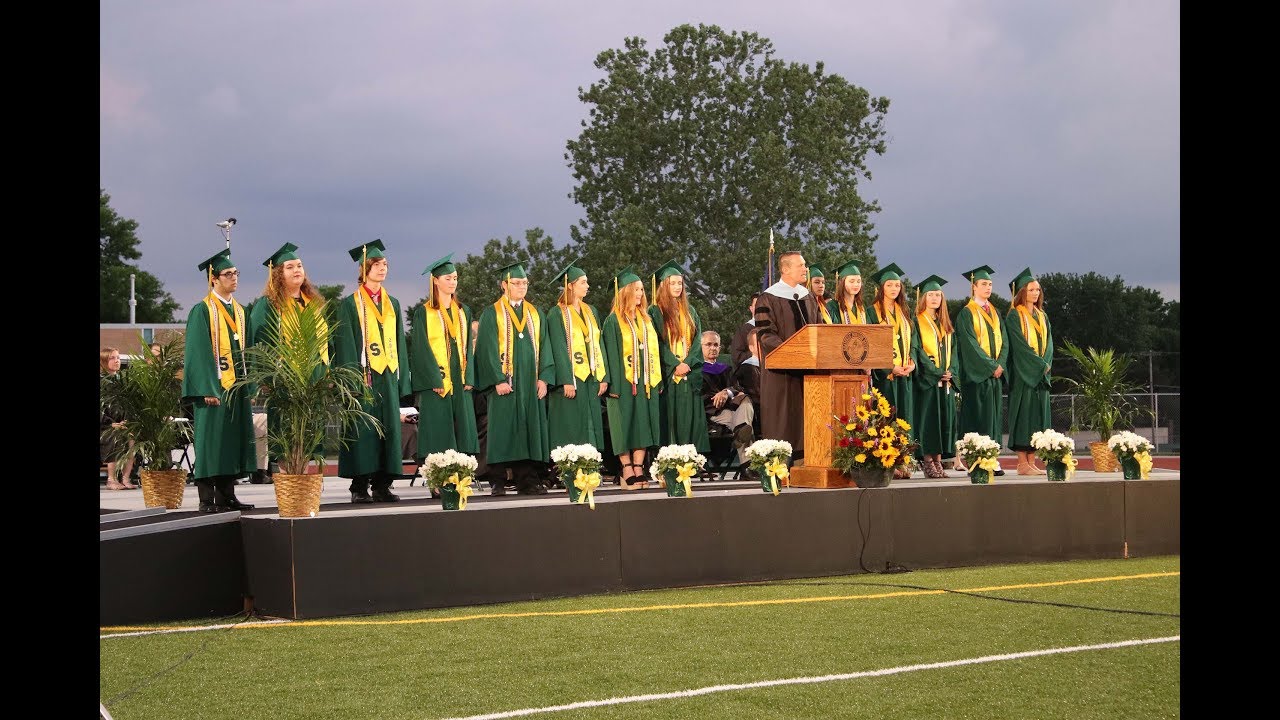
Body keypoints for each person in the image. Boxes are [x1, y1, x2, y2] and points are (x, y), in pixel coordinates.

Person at [333, 240, 410, 503]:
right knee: (362, 430)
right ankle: (359, 486)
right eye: (376, 265)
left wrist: (402, 379)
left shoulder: (393, 304)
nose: (382, 269)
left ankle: (382, 485)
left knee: (388, 429)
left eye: (384, 264)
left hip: (387, 375)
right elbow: (345, 344)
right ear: (364, 269)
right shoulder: (350, 304)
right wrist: (351, 380)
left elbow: (400, 342)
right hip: (364, 377)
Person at [248, 242, 329, 486]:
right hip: (284, 378)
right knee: (286, 429)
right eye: (290, 267)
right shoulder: (268, 305)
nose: (297, 270)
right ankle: (289, 480)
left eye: (300, 265)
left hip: (311, 378)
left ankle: (302, 476)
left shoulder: (312, 303)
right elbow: (259, 342)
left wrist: (325, 373)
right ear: (278, 275)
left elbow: (324, 341)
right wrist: (265, 378)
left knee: (308, 428)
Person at [181, 249, 256, 513]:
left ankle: (227, 495)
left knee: (230, 442)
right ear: (213, 279)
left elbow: (249, 351)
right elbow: (197, 353)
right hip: (214, 389)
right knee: (211, 442)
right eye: (228, 274)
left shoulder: (241, 311)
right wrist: (205, 389)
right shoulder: (201, 310)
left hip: (236, 387)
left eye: (236, 273)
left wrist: (251, 384)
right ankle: (206, 498)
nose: (234, 278)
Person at [474, 261, 551, 495]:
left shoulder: (535, 314)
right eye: (516, 283)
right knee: (501, 430)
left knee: (526, 429)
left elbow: (545, 347)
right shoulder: (491, 313)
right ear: (503, 285)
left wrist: (544, 378)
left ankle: (526, 480)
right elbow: (486, 350)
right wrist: (497, 379)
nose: (522, 287)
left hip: (529, 384)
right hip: (503, 383)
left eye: (525, 283)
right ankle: (497, 480)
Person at [407, 253, 479, 466]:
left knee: (462, 425)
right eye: (448, 278)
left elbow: (468, 346)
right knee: (439, 426)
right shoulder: (424, 313)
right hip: (437, 379)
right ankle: (438, 473)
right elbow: (421, 349)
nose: (453, 282)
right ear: (435, 281)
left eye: (455, 278)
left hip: (460, 375)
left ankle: (460, 471)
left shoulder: (463, 311)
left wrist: (470, 377)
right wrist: (433, 379)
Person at [754, 250, 824, 462]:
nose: (805, 269)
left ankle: (808, 462)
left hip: (810, 370)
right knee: (783, 417)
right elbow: (765, 334)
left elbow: (821, 329)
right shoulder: (767, 298)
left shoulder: (809, 297)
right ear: (785, 269)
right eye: (801, 265)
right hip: (781, 372)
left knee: (808, 416)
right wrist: (793, 352)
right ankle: (780, 465)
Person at [601, 266, 662, 489]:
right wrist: (612, 383)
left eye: (642, 289)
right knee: (623, 425)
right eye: (635, 289)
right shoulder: (613, 321)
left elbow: (654, 352)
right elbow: (607, 354)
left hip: (645, 382)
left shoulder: (646, 319)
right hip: (622, 383)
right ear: (625, 291)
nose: (640, 294)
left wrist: (657, 380)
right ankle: (626, 468)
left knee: (642, 424)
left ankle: (639, 467)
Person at [542, 259, 608, 455]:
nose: (587, 286)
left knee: (590, 422)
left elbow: (598, 344)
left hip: (590, 378)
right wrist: (565, 380)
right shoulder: (556, 314)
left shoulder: (591, 311)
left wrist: (603, 377)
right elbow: (558, 348)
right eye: (583, 282)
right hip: (571, 381)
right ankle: (569, 468)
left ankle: (589, 465)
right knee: (570, 425)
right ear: (570, 286)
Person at [647, 260, 709, 453]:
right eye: (672, 283)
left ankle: (689, 463)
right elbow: (656, 343)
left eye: (680, 283)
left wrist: (688, 363)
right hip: (668, 375)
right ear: (664, 285)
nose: (677, 287)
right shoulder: (655, 311)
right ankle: (668, 464)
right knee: (669, 420)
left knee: (689, 420)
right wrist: (675, 364)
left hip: (688, 374)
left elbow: (698, 340)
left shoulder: (690, 311)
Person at [954, 265, 1008, 476]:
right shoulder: (966, 314)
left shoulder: (995, 312)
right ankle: (977, 461)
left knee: (993, 419)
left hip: (994, 376)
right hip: (977, 377)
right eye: (984, 284)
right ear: (973, 287)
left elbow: (1004, 342)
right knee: (978, 418)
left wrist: (1000, 364)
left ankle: (992, 458)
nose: (988, 287)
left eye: (990, 284)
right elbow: (969, 345)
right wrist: (991, 366)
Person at [868, 263, 916, 478]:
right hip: (885, 377)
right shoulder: (872, 311)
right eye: (890, 285)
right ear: (882, 288)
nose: (894, 288)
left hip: (904, 376)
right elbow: (871, 344)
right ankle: (886, 462)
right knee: (885, 418)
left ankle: (902, 461)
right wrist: (890, 367)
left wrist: (912, 362)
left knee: (903, 419)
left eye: (897, 285)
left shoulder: (904, 312)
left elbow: (913, 342)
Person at [1005, 268, 1054, 476]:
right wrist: (1039, 365)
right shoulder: (1014, 316)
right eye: (1031, 289)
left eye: (1038, 290)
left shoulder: (1042, 316)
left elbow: (1050, 344)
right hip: (1023, 376)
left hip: (1040, 377)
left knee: (1037, 419)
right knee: (1023, 417)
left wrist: (1045, 364)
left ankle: (1032, 461)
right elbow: (1019, 346)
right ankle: (1022, 463)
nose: (1035, 293)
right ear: (1022, 292)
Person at [910, 275, 960, 478]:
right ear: (923, 298)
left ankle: (938, 460)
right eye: (930, 294)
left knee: (943, 422)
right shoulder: (917, 321)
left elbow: (954, 352)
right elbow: (917, 350)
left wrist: (951, 372)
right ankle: (927, 460)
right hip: (928, 381)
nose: (934, 298)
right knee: (929, 422)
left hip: (945, 383)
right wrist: (936, 372)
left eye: (937, 295)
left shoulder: (945, 323)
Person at [700, 330, 754, 466]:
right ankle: (747, 465)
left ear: (720, 348)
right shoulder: (696, 370)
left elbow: (738, 388)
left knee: (746, 399)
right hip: (714, 412)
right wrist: (717, 399)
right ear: (700, 347)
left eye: (716, 345)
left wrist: (726, 392)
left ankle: (739, 430)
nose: (712, 348)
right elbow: (701, 397)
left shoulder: (726, 369)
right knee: (745, 426)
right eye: (708, 344)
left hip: (734, 409)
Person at [100, 347, 137, 490]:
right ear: (103, 362)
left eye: (118, 358)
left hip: (122, 423)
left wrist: (127, 420)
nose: (117, 361)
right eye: (112, 358)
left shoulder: (123, 381)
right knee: (115, 436)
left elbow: (130, 404)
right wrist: (111, 424)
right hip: (105, 427)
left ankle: (126, 478)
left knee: (132, 437)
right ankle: (111, 479)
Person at [827, 260, 868, 325]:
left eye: (858, 281)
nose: (856, 285)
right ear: (842, 283)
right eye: (852, 281)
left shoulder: (862, 307)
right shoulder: (832, 306)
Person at [729, 291, 761, 369]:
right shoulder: (744, 330)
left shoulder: (773, 328)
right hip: (752, 372)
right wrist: (755, 353)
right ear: (751, 308)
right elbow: (737, 356)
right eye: (757, 305)